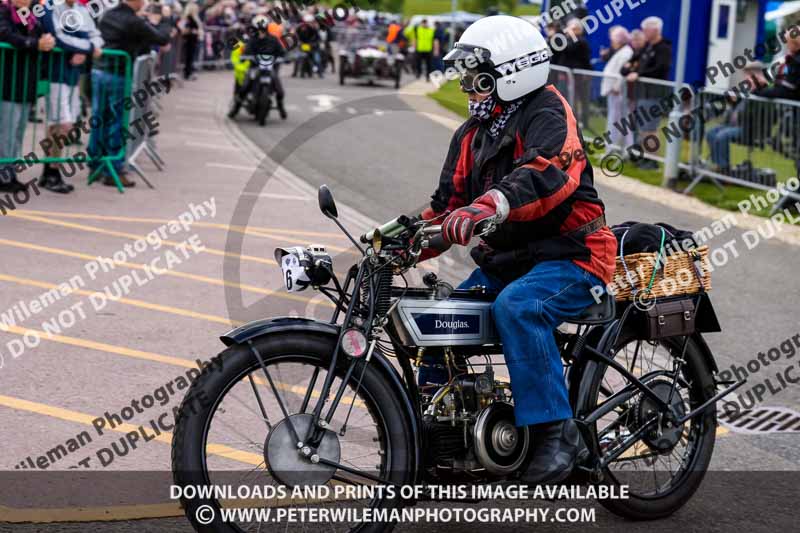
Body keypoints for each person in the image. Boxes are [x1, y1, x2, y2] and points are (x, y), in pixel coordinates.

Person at [419, 15, 616, 484]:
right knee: (436, 317)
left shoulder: (548, 112)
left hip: (574, 255)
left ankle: (556, 435)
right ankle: (430, 436)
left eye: (476, 76)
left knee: (519, 308)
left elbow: (547, 174)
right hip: (511, 260)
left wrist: (489, 206)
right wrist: (399, 241)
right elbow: (445, 207)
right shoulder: (472, 133)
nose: (467, 86)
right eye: (464, 75)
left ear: (510, 72)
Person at [89, 0, 170, 188]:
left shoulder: (109, 15)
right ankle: (113, 170)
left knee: (98, 120)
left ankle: (96, 165)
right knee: (118, 122)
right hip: (118, 74)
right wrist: (164, 20)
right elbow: (161, 38)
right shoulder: (133, 21)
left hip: (100, 72)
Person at [39, 0, 103, 194]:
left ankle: (50, 171)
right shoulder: (49, 7)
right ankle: (51, 171)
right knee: (61, 126)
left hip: (72, 75)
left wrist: (87, 48)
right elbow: (57, 37)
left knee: (62, 126)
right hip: (54, 74)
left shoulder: (80, 10)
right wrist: (87, 48)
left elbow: (96, 36)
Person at [0, 0, 55, 193]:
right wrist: (34, 43)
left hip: (25, 83)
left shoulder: (31, 15)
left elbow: (44, 33)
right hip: (8, 81)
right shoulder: (3, 11)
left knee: (17, 132)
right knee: (6, 131)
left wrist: (46, 40)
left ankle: (10, 172)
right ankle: (4, 175)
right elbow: (5, 34)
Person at [625, 17, 672, 170]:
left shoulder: (663, 48)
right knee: (643, 128)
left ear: (655, 30)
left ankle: (652, 161)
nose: (644, 32)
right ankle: (643, 157)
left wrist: (639, 74)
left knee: (650, 128)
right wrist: (631, 69)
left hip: (654, 93)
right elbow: (631, 63)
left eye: (646, 29)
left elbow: (661, 68)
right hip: (643, 93)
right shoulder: (647, 47)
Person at [706, 63, 769, 175]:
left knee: (722, 136)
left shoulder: (763, 91)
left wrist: (758, 87)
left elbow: (755, 113)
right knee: (711, 133)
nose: (746, 79)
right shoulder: (746, 90)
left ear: (757, 75)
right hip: (735, 125)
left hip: (750, 130)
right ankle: (719, 165)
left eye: (749, 75)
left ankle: (724, 170)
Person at [229, 15, 286, 120]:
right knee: (244, 87)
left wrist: (283, 58)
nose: (261, 32)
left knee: (280, 90)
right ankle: (235, 109)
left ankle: (281, 106)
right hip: (254, 68)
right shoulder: (252, 40)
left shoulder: (273, 39)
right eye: (259, 29)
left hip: (269, 68)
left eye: (263, 29)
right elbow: (246, 52)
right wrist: (245, 57)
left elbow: (282, 52)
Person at [601, 26, 634, 155]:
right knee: (617, 120)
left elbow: (623, 72)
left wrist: (617, 86)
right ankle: (615, 148)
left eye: (614, 39)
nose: (612, 41)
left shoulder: (626, 52)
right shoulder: (621, 51)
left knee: (618, 120)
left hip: (619, 91)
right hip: (615, 91)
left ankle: (617, 148)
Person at [180, 1, 204, 81]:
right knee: (188, 57)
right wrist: (193, 31)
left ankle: (189, 72)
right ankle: (187, 73)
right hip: (189, 40)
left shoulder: (195, 17)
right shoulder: (188, 18)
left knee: (191, 57)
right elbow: (183, 29)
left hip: (194, 40)